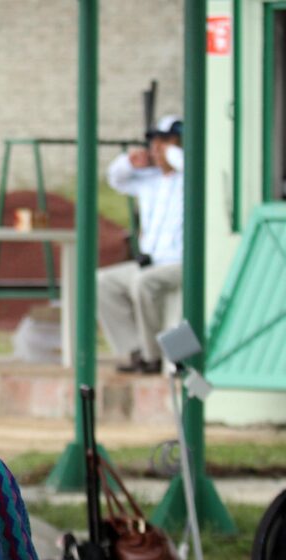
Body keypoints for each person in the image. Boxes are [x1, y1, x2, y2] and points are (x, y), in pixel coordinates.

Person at [98, 115, 184, 374]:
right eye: (157, 143)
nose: (159, 148)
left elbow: (194, 166)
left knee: (143, 283)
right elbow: (116, 178)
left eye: (166, 142)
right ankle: (135, 350)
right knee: (103, 282)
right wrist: (131, 160)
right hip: (151, 262)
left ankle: (153, 357)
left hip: (179, 264)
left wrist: (174, 154)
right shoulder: (151, 181)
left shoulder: (190, 178)